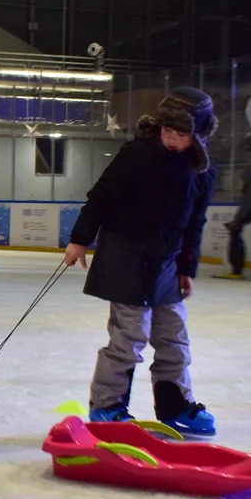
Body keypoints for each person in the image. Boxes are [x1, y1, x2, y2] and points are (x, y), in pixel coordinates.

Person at [63, 87, 218, 437]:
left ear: (199, 136)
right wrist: (79, 239)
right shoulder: (137, 155)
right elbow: (101, 195)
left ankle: (176, 406)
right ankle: (106, 407)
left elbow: (195, 224)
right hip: (126, 258)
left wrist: (186, 269)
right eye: (168, 131)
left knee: (173, 337)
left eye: (182, 134)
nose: (172, 140)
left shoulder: (202, 173)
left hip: (165, 266)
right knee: (129, 337)